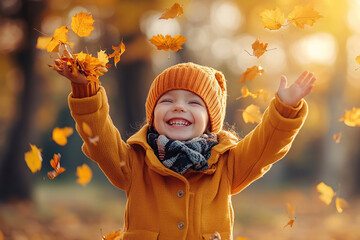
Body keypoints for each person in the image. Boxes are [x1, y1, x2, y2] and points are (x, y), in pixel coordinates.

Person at [55, 61, 316, 239]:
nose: (179, 107)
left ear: (210, 121)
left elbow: (266, 147)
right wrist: (84, 90)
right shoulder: (135, 162)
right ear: (153, 115)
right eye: (167, 100)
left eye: (194, 102)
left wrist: (284, 108)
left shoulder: (227, 164)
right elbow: (99, 141)